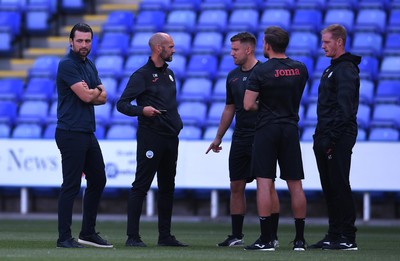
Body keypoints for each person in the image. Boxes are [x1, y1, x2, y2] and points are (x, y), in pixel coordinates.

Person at [206, 32, 280, 248]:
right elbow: (230, 107)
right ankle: (236, 235)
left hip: (262, 135)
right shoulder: (233, 76)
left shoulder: (265, 72)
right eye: (231, 49)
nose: (232, 54)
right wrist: (218, 137)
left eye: (235, 49)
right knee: (236, 185)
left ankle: (271, 235)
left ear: (248, 49)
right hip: (240, 137)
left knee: (266, 186)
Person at [117, 32, 188, 247]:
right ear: (159, 48)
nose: (173, 50)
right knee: (141, 186)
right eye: (170, 46)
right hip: (151, 137)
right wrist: (142, 110)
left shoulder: (170, 74)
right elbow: (122, 104)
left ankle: (164, 236)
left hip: (170, 138)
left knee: (167, 187)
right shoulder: (141, 75)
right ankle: (132, 237)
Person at [243, 26, 308, 251]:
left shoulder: (261, 71)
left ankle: (267, 239)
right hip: (290, 128)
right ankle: (299, 240)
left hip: (267, 129)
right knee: (295, 184)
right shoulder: (300, 68)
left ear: (268, 45)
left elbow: (248, 104)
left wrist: (266, 105)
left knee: (264, 182)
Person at [55, 23, 113, 248]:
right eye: (79, 41)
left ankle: (88, 232)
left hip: (87, 132)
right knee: (70, 185)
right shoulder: (67, 65)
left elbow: (102, 97)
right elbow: (89, 97)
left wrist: (92, 92)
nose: (84, 45)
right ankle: (64, 237)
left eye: (87, 41)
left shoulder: (89, 65)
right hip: (70, 132)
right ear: (71, 42)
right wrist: (93, 92)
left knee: (98, 179)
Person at [309, 24, 360, 251]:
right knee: (329, 187)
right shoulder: (333, 68)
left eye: (327, 42)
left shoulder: (346, 69)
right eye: (322, 41)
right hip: (325, 134)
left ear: (339, 42)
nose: (323, 46)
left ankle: (348, 236)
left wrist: (332, 138)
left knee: (339, 185)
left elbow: (345, 109)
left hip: (337, 136)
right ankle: (334, 233)